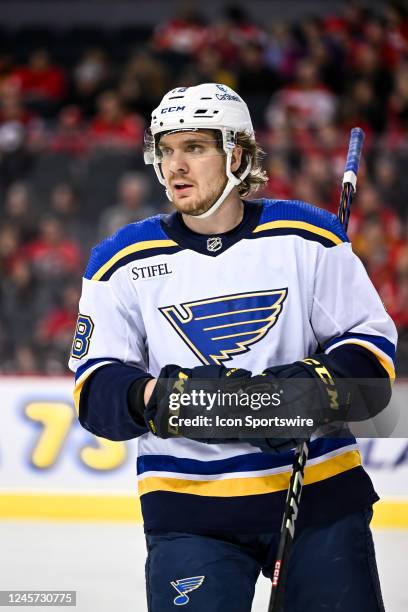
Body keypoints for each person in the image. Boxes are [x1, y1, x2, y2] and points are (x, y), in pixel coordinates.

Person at [69, 83, 397, 611]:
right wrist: (173, 399)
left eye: (194, 147)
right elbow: (96, 394)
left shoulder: (308, 237)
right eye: (166, 149)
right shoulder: (120, 260)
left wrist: (315, 391)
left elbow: (373, 366)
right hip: (190, 517)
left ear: (237, 154)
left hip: (319, 499)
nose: (175, 165)